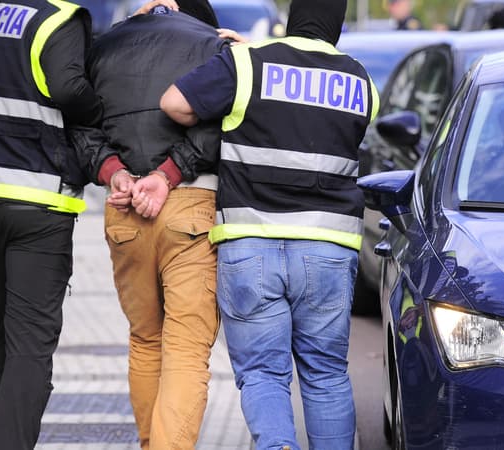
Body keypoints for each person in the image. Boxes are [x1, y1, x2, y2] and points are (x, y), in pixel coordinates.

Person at [159, 0, 379, 448]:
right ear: (337, 26)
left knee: (263, 373)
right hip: (327, 247)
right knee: (326, 374)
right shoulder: (360, 78)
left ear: (291, 17)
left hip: (249, 243)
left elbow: (174, 104)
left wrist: (241, 69)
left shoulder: (247, 62)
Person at [67, 1, 232, 447]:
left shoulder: (102, 46)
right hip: (191, 207)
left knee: (144, 341)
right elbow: (226, 126)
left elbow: (80, 126)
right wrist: (168, 174)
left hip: (124, 209)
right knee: (186, 350)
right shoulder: (213, 45)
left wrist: (113, 172)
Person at [0, 0, 102, 447]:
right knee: (29, 345)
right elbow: (70, 90)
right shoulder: (56, 18)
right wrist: (98, 112)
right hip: (36, 199)